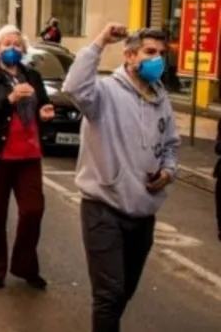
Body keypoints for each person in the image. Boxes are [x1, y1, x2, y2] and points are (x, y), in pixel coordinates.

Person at [62, 24, 178, 332]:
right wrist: (99, 41)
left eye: (161, 55)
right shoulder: (103, 92)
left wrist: (168, 171)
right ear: (128, 56)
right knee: (109, 295)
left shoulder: (160, 98)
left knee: (123, 291)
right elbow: (73, 87)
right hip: (103, 208)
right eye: (149, 53)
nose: (157, 60)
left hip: (143, 212)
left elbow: (171, 145)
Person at [0, 25, 53, 290]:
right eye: (7, 44)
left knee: (33, 210)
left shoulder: (33, 76)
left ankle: (24, 264)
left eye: (17, 45)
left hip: (29, 154)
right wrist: (9, 99)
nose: (12, 49)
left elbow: (41, 108)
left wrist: (45, 115)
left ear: (24, 50)